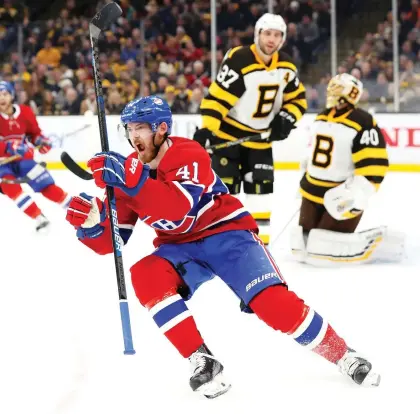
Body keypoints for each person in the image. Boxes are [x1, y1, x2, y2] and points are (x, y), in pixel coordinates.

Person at [65, 96, 379, 399]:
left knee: (273, 306)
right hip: (181, 248)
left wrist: (132, 182)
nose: (134, 136)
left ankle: (343, 354)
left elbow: (176, 208)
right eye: (129, 129)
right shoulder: (129, 172)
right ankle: (202, 359)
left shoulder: (188, 153)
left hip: (228, 235)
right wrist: (92, 223)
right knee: (145, 274)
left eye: (140, 128)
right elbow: (112, 243)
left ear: (161, 129)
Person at [193, 13, 307, 245]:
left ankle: (258, 247)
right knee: (225, 197)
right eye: (267, 34)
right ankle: (221, 244)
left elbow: (298, 100)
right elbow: (217, 98)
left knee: (261, 196)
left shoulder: (286, 65)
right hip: (228, 139)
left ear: (283, 39)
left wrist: (286, 117)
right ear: (257, 34)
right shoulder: (240, 59)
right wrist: (207, 129)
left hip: (260, 143)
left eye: (277, 35)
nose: (271, 40)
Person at [290, 73, 405, 265]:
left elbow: (374, 167)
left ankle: (381, 243)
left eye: (336, 88)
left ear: (349, 94)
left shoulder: (363, 121)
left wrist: (356, 194)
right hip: (312, 191)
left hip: (339, 194)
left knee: (322, 248)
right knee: (301, 245)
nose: (330, 92)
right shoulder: (322, 116)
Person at [0, 81, 71, 231]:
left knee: (45, 184)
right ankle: (38, 217)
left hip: (24, 159)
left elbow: (34, 133)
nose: (1, 98)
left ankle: (74, 207)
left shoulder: (25, 112)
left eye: (4, 94)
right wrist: (10, 147)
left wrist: (41, 141)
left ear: (11, 95)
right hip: (2, 164)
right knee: (11, 188)